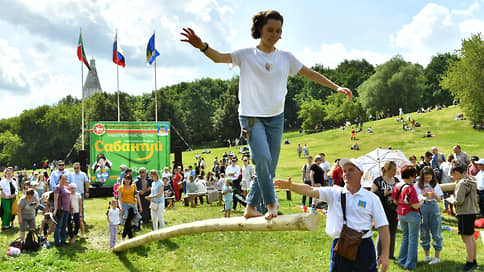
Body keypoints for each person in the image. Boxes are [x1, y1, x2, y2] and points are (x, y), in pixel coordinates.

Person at [181, 10, 353, 219]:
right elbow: (218, 57)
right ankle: (271, 204)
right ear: (259, 30)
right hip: (251, 117)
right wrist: (202, 45)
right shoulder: (246, 54)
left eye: (279, 31)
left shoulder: (285, 57)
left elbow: (310, 73)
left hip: (276, 118)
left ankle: (251, 206)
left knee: (269, 167)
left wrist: (336, 87)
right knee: (262, 159)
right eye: (270, 30)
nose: (274, 34)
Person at [274, 158, 389, 272]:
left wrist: (384, 255)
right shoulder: (334, 193)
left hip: (364, 246)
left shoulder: (372, 198)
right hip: (341, 246)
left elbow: (383, 228)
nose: (346, 174)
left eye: (351, 170)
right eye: (344, 171)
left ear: (361, 174)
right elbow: (311, 190)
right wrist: (291, 186)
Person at [446, 162, 479, 271]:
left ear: (456, 172)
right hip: (472, 211)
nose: (452, 177)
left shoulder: (461, 183)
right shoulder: (471, 180)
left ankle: (469, 263)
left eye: (453, 175)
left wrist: (450, 199)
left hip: (465, 213)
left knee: (466, 238)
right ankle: (473, 261)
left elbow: (458, 201)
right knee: (471, 237)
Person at [391, 165, 424, 270]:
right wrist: (423, 200)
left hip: (401, 214)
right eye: (414, 175)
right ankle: (410, 264)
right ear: (410, 176)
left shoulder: (397, 185)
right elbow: (415, 205)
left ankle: (402, 260)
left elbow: (394, 201)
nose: (415, 177)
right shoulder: (410, 188)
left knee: (405, 237)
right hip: (412, 214)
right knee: (413, 240)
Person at [414, 166, 443, 264]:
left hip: (434, 208)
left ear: (432, 176)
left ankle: (437, 257)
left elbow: (439, 199)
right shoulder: (417, 185)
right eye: (425, 177)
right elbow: (415, 197)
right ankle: (427, 255)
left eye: (429, 177)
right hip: (422, 207)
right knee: (423, 232)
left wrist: (433, 194)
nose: (427, 179)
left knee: (436, 232)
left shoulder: (435, 184)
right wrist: (422, 197)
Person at [371, 161, 399, 260]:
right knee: (382, 232)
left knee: (392, 232)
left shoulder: (396, 180)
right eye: (393, 170)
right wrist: (383, 193)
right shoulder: (378, 181)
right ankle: (379, 255)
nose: (395, 172)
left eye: (396, 170)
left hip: (394, 210)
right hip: (382, 210)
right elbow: (372, 195)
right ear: (387, 170)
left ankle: (390, 255)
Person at [53, 174, 71, 247]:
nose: (64, 181)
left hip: (67, 209)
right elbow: (55, 199)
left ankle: (63, 241)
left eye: (65, 179)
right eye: (63, 179)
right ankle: (57, 242)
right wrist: (56, 209)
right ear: (59, 179)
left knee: (64, 225)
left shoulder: (66, 187)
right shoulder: (57, 188)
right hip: (61, 209)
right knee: (58, 225)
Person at [71, 162, 89, 227]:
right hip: (72, 193)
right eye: (75, 168)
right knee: (72, 207)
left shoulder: (83, 174)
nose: (76, 169)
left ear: (80, 167)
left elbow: (86, 183)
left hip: (81, 193)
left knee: (81, 206)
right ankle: (73, 220)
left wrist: (87, 191)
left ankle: (82, 219)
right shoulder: (71, 174)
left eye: (77, 168)